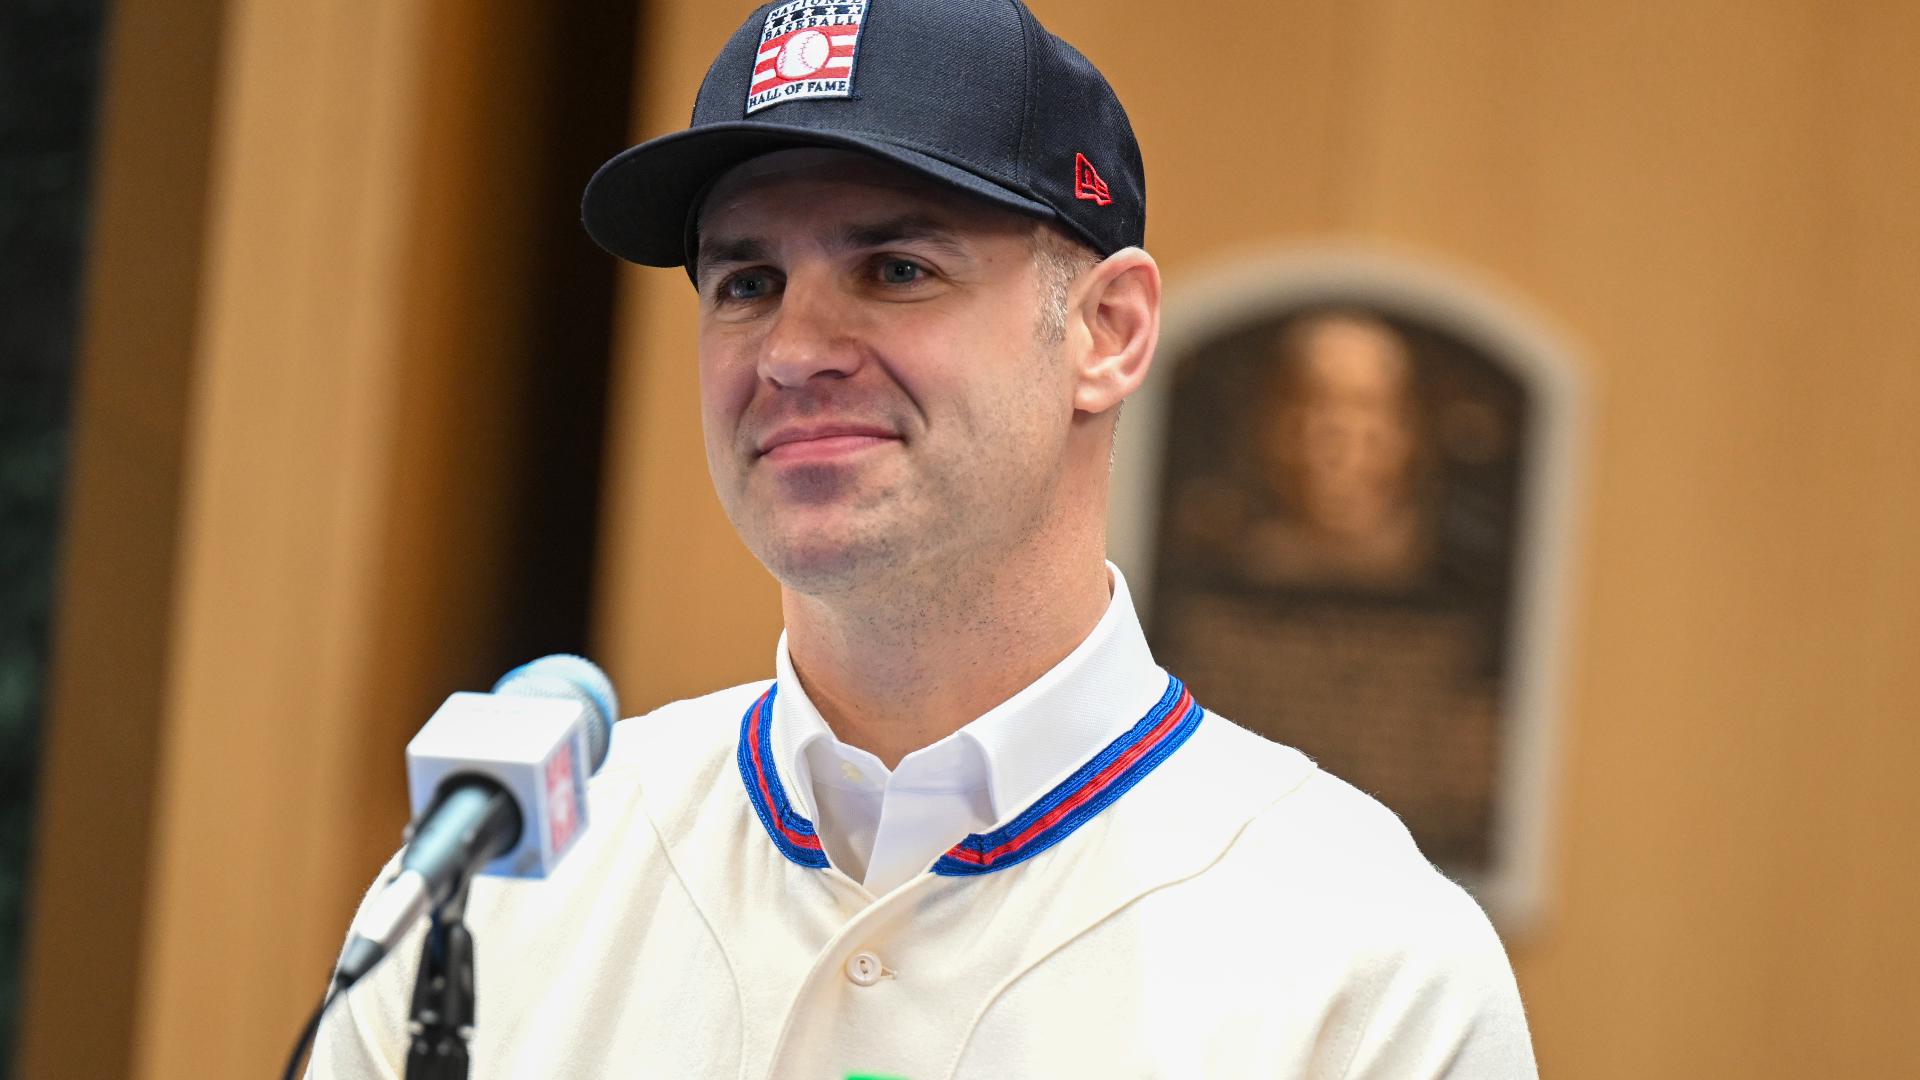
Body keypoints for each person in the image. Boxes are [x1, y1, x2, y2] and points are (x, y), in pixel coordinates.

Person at [312, 1, 1538, 1076]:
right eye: (745, 282)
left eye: (896, 268)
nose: (792, 352)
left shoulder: (1364, 962)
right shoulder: (495, 894)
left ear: (1106, 331)